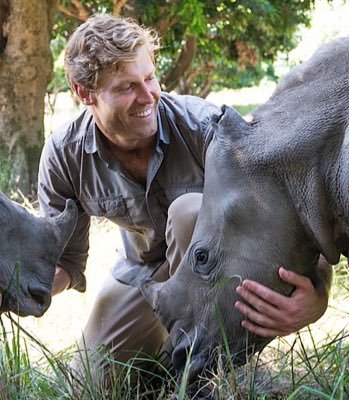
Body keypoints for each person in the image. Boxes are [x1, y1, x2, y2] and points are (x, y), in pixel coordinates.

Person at [38, 14, 332, 383]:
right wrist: (18, 286)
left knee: (189, 210)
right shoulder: (65, 156)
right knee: (88, 382)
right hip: (142, 273)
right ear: (85, 93)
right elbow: (63, 260)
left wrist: (317, 296)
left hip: (217, 270)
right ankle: (169, 358)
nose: (149, 96)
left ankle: (204, 367)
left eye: (149, 77)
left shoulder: (207, 130)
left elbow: (292, 209)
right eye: (128, 86)